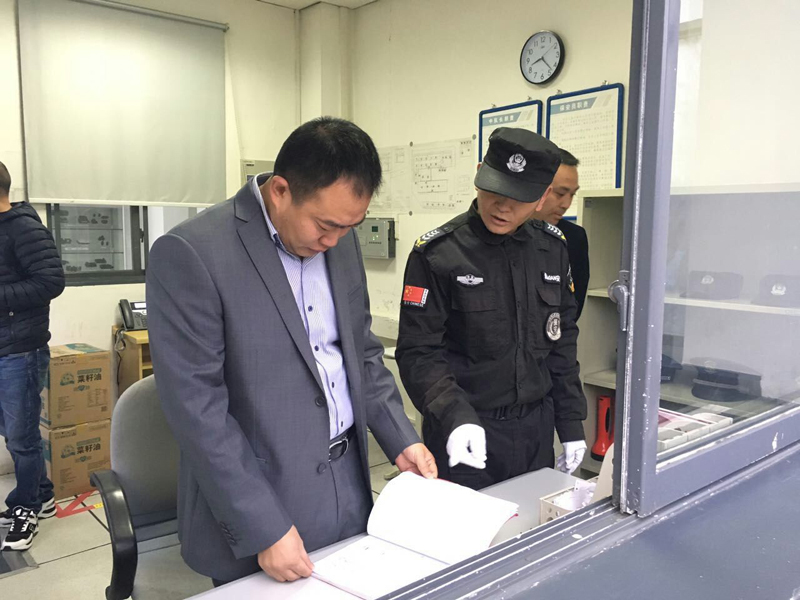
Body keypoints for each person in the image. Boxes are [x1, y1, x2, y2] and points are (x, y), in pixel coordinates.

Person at [147, 117, 437, 586]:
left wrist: (403, 439)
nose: (333, 241)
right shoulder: (192, 252)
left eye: (349, 226)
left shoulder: (339, 239)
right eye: (325, 225)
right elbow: (196, 408)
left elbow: (361, 353)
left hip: (349, 486)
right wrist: (263, 525)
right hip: (264, 500)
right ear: (281, 191)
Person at [396, 127, 587, 491]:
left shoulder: (552, 249)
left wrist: (571, 421)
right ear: (479, 174)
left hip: (535, 432)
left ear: (541, 197)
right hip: (466, 433)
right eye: (495, 190)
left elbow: (561, 341)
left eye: (518, 197)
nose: (502, 206)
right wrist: (456, 416)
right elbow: (419, 352)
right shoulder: (438, 254)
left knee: (533, 522)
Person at [0, 160, 64, 550]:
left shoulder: (23, 227)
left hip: (20, 351)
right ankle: (43, 494)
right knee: (13, 431)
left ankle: (26, 508)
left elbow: (51, 281)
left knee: (22, 438)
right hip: (4, 347)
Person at [533, 148, 589, 319]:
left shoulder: (573, 237)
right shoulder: (501, 229)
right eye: (560, 193)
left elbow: (573, 309)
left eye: (572, 194)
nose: (566, 204)